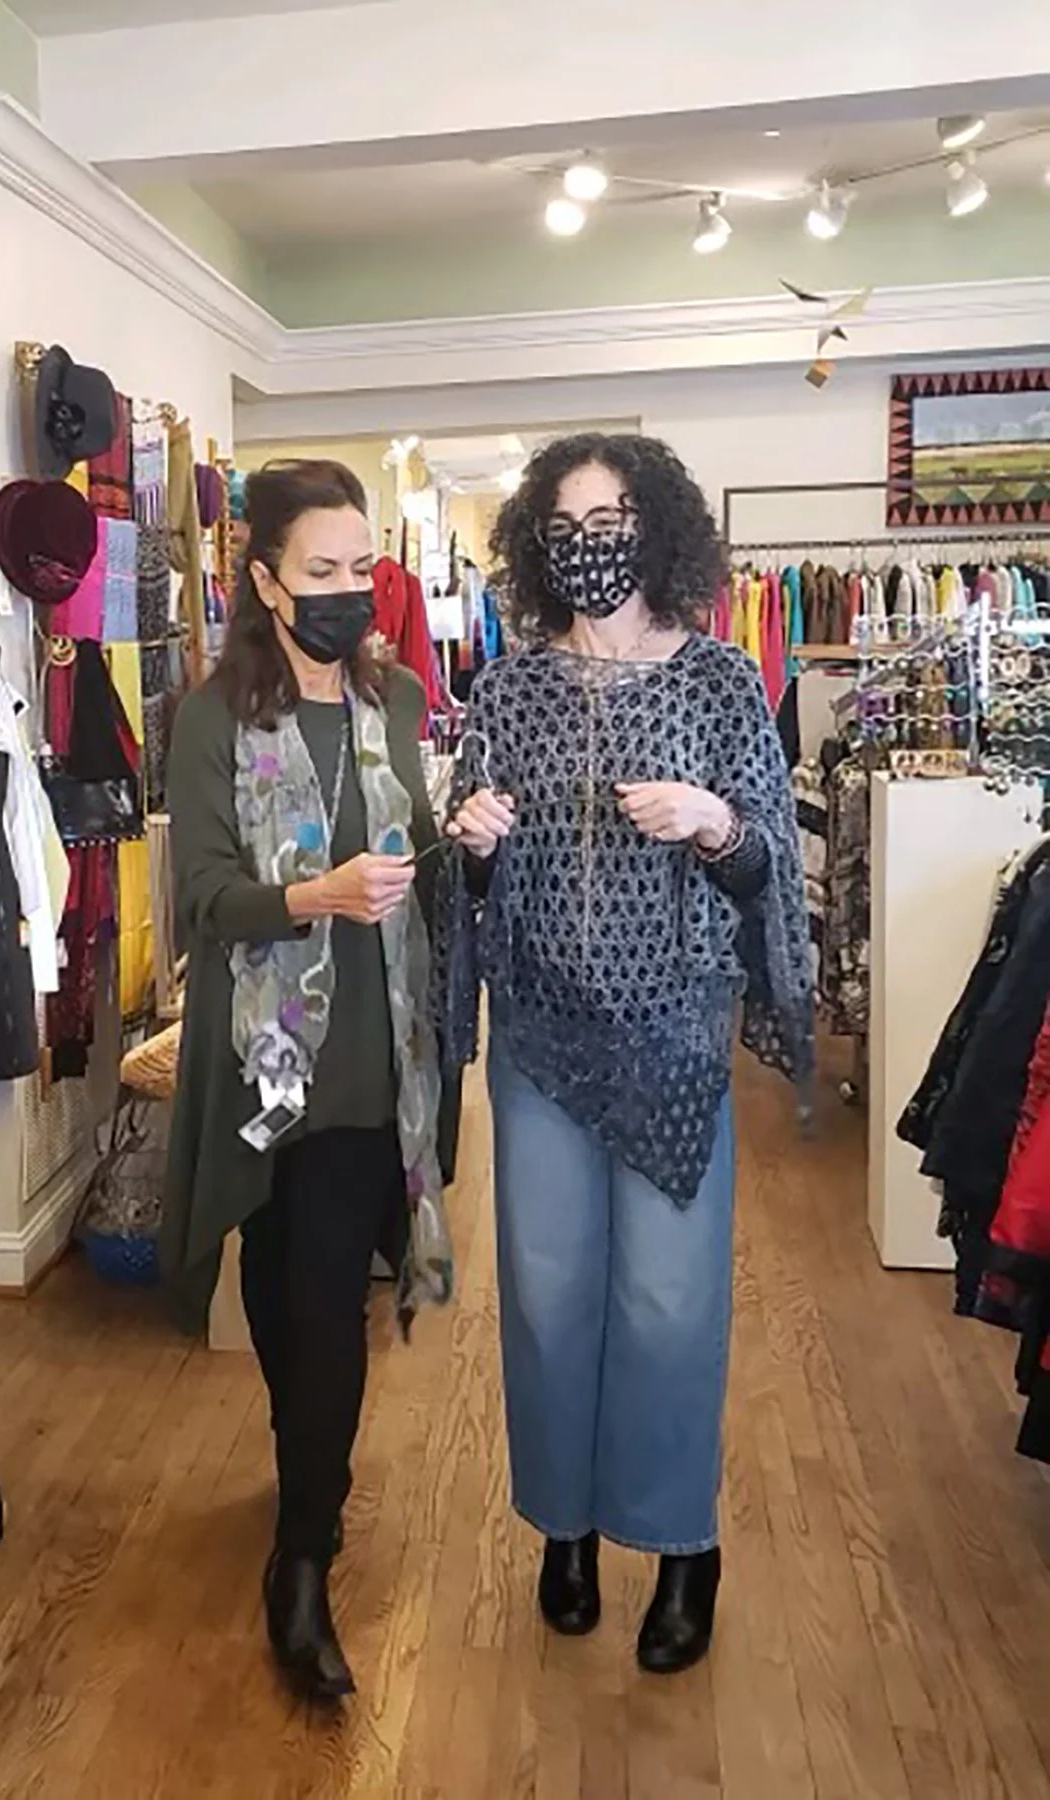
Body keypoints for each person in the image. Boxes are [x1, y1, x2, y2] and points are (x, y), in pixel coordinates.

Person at [443, 433, 812, 1675]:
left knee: (668, 1300)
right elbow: (469, 884)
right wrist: (476, 844)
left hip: (672, 1039)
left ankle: (679, 1542)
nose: (590, 538)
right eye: (566, 520)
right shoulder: (507, 693)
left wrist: (715, 824)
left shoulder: (716, 685)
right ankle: (565, 1527)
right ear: (538, 542)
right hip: (541, 1039)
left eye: (611, 516)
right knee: (547, 1297)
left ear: (656, 527)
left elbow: (772, 866)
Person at [160, 459, 456, 1702]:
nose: (347, 592)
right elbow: (204, 900)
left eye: (359, 569)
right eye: (320, 571)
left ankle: (303, 1558)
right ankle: (303, 1477)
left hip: (371, 1071)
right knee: (287, 1307)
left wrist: (461, 839)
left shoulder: (388, 703)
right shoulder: (215, 716)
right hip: (263, 1068)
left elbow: (415, 868)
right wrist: (309, 897)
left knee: (328, 1312)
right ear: (267, 580)